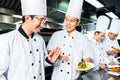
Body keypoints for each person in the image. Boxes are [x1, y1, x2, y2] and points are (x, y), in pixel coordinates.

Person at [0, 0, 60, 80]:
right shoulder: (6, 40)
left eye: (44, 20)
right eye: (40, 19)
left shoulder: (40, 40)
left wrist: (49, 60)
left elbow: (37, 66)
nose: (42, 24)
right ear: (27, 18)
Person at [47, 0, 92, 80]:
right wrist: (56, 55)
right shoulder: (56, 35)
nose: (68, 23)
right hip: (57, 77)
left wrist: (83, 67)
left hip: (74, 76)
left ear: (78, 22)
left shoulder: (83, 39)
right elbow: (48, 51)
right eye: (66, 19)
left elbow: (88, 58)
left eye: (72, 21)